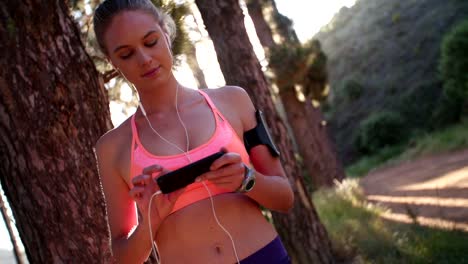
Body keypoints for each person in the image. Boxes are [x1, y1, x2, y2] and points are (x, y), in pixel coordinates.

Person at [93, 0, 294, 263]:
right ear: (113, 62)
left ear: (166, 33)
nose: (144, 59)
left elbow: (285, 198)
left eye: (150, 41)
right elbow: (124, 256)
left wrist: (247, 179)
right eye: (126, 54)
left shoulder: (233, 101)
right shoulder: (112, 147)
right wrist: (151, 220)